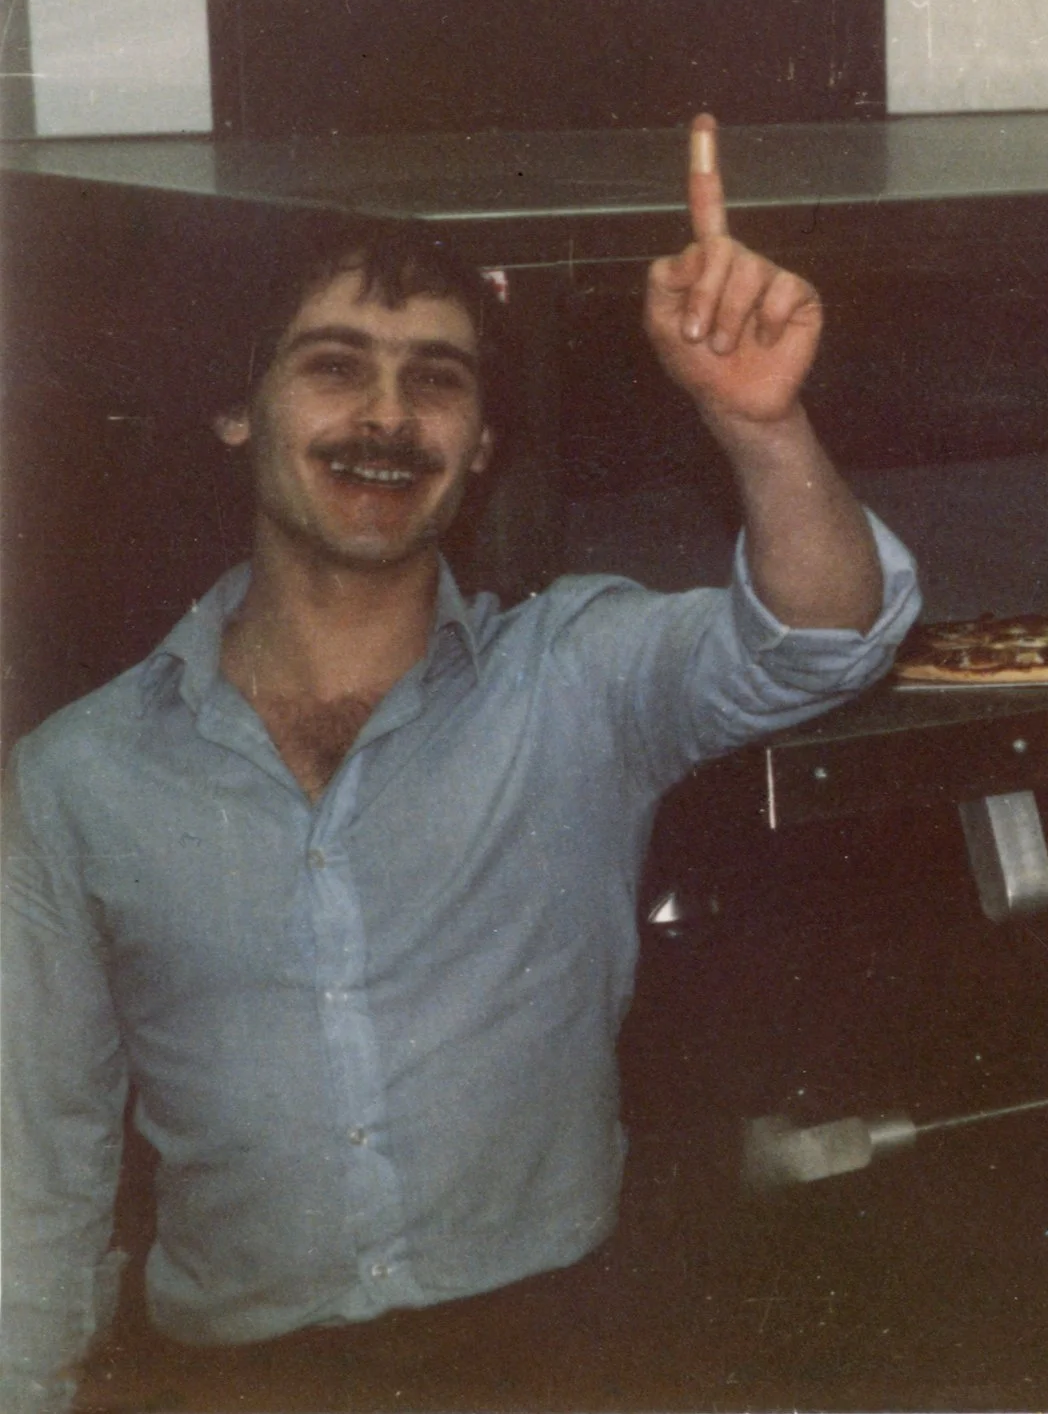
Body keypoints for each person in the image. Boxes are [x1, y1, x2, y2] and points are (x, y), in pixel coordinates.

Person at [0, 116, 921, 1413]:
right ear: (232, 408)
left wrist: (760, 426)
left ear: (482, 444)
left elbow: (825, 639)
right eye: (335, 364)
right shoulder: (73, 780)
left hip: (562, 1355)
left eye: (437, 379)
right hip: (230, 1381)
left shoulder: (574, 679)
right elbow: (30, 1185)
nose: (387, 415)